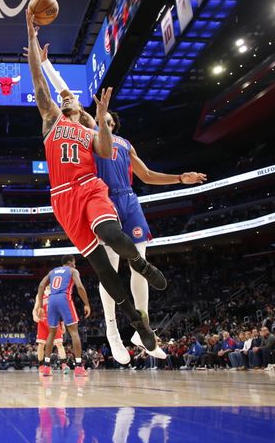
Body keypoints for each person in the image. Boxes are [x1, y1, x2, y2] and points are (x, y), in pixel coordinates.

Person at [25, 9, 165, 353]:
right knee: (103, 270)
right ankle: (137, 322)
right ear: (61, 104)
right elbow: (38, 80)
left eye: (73, 96)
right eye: (65, 96)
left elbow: (105, 148)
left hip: (90, 187)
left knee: (111, 234)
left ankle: (139, 263)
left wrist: (101, 120)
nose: (68, 96)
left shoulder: (89, 131)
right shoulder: (50, 121)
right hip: (63, 199)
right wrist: (30, 37)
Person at [81, 110, 206, 363]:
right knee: (110, 270)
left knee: (140, 265)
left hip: (128, 199)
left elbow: (147, 175)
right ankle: (112, 330)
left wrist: (180, 178)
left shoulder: (126, 144)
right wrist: (92, 109)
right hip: (103, 199)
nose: (106, 122)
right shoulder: (90, 138)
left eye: (110, 121)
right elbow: (80, 116)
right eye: (101, 119)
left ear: (114, 125)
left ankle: (143, 328)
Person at [33, 256, 90, 376]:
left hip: (51, 300)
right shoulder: (72, 271)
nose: (75, 265)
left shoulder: (52, 271)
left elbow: (41, 285)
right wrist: (86, 303)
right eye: (74, 263)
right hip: (64, 298)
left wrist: (41, 306)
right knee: (74, 332)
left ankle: (47, 367)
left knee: (51, 333)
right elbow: (79, 287)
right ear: (69, 263)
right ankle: (79, 366)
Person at [33, 285, 68, 371]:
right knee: (41, 345)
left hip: (54, 321)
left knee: (59, 344)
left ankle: (64, 365)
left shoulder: (57, 294)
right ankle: (41, 365)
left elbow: (61, 310)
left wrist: (62, 324)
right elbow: (35, 309)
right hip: (43, 321)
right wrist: (34, 315)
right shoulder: (40, 295)